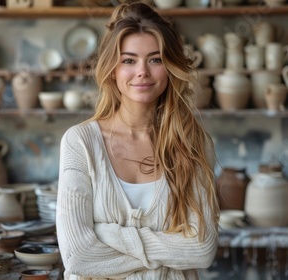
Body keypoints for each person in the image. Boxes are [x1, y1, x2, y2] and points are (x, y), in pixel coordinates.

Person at [56, 2, 219, 279]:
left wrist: (107, 234)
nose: (142, 71)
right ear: (112, 70)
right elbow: (77, 256)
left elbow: (201, 250)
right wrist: (166, 255)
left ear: (169, 68)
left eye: (155, 59)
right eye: (129, 60)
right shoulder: (80, 143)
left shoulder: (191, 143)